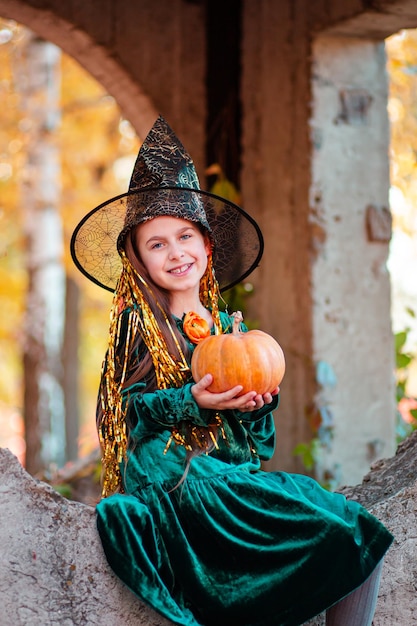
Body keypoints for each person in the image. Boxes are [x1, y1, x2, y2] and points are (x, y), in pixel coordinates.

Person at [71, 116, 393, 626]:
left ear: (207, 246)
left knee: (355, 530)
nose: (176, 252)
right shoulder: (141, 324)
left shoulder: (230, 329)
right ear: (137, 258)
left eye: (185, 237)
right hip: (176, 480)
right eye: (157, 244)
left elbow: (257, 449)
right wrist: (190, 402)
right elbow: (127, 412)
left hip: (227, 474)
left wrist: (258, 406)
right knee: (327, 525)